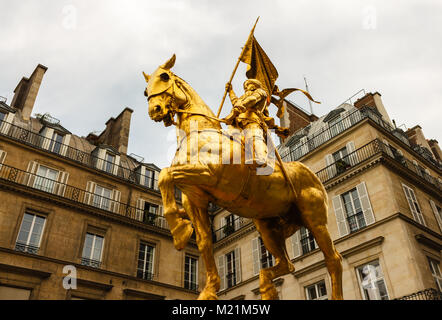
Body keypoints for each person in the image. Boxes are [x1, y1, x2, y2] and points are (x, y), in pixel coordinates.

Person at [223, 79, 268, 166]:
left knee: (254, 136)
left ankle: (260, 157)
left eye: (248, 85)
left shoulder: (261, 92)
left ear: (255, 85)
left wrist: (236, 110)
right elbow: (236, 102)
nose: (246, 88)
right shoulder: (243, 97)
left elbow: (252, 100)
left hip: (251, 121)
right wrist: (230, 91)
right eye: (245, 86)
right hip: (238, 124)